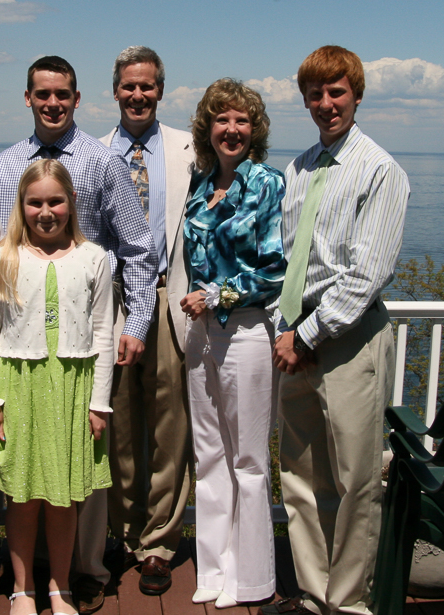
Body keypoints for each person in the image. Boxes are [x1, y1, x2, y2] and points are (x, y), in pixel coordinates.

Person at [0, 55, 156, 614]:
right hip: (24, 337)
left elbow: (135, 249)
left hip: (88, 327)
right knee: (29, 474)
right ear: (28, 98)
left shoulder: (102, 161)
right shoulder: (7, 165)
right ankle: (27, 581)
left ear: (77, 99)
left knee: (83, 466)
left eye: (63, 94)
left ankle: (82, 570)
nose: (52, 103)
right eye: (42, 94)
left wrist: (135, 324)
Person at [261, 46, 410, 615]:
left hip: (346, 343)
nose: (326, 105)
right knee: (300, 473)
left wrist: (305, 336)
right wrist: (286, 330)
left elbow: (367, 274)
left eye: (337, 92)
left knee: (355, 480)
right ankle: (313, 593)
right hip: (295, 340)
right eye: (315, 94)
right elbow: (287, 259)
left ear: (357, 94)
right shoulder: (298, 169)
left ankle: (348, 604)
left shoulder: (380, 170)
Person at [0, 159, 115, 615]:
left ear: (71, 203)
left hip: (72, 388)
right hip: (19, 389)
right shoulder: (4, 257)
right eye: (35, 202)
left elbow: (105, 333)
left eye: (55, 201)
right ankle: (22, 587)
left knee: (64, 497)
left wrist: (100, 403)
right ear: (21, 205)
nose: (45, 211)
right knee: (23, 495)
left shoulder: (94, 259)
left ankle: (60, 585)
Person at [179, 79, 286, 609]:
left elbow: (275, 271)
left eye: (242, 120)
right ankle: (214, 569)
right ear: (208, 128)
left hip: (243, 329)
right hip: (201, 334)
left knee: (248, 458)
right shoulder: (201, 185)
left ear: (255, 130)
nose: (232, 129)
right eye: (222, 120)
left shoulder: (267, 184)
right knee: (208, 455)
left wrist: (216, 294)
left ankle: (251, 577)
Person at [98, 47, 195, 596]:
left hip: (169, 297)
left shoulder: (190, 148)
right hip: (111, 301)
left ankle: (158, 543)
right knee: (117, 423)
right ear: (116, 90)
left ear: (161, 90)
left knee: (169, 424)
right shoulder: (94, 151)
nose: (138, 95)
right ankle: (122, 531)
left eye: (148, 86)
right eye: (129, 86)